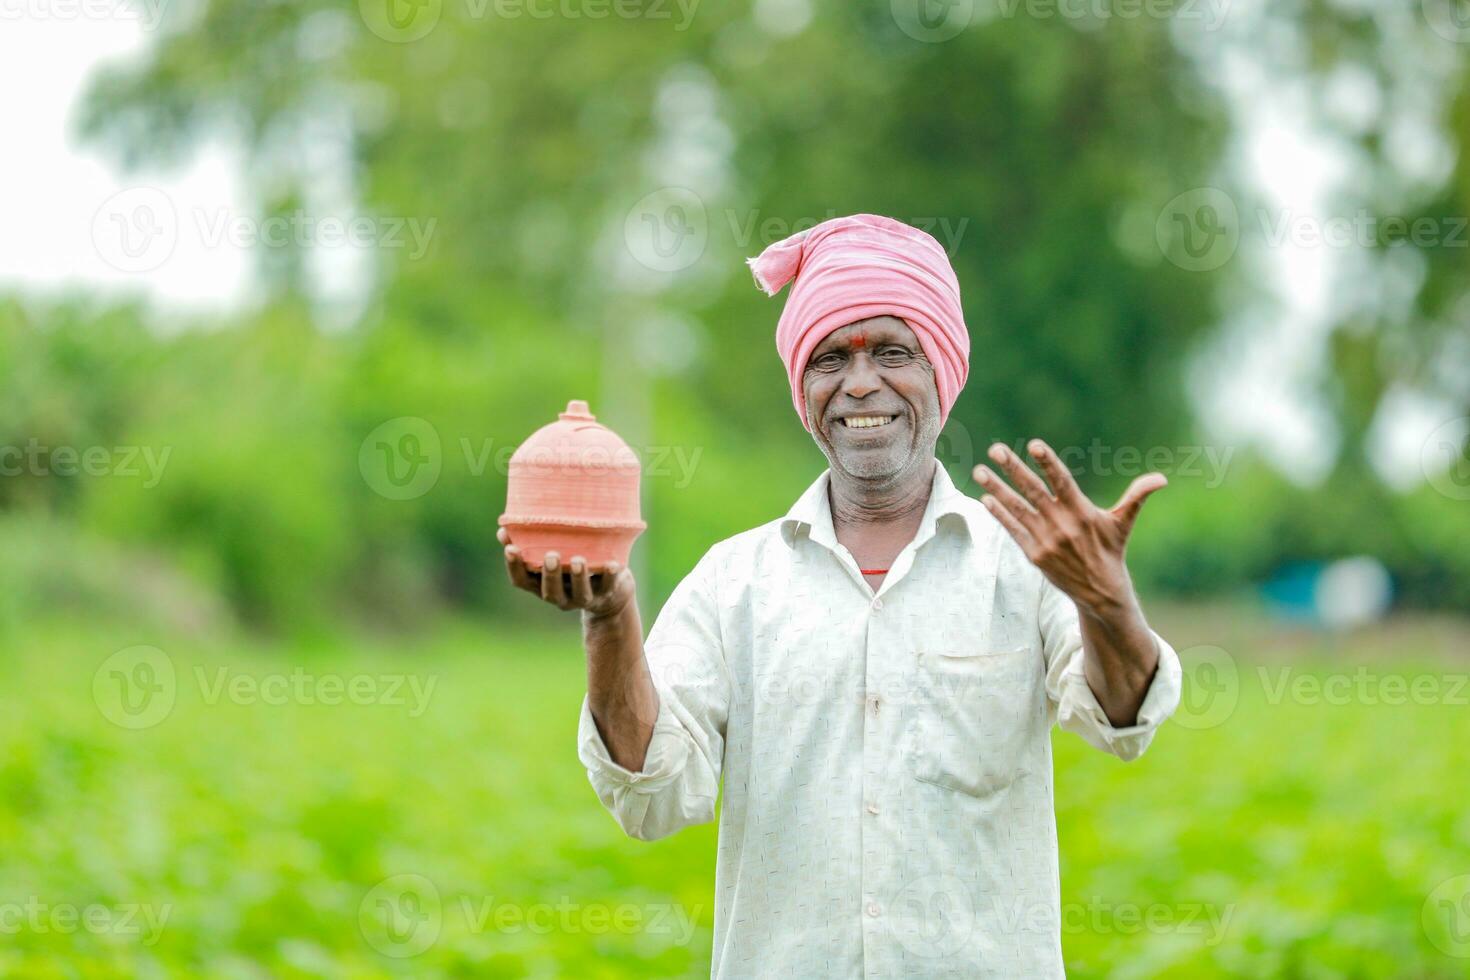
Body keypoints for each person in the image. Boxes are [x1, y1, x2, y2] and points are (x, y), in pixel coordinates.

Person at [499, 213, 1183, 978]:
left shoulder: (1022, 567)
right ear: (803, 385)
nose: (860, 382)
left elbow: (1123, 722)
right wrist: (609, 616)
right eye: (830, 358)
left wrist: (1106, 600)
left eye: (893, 351)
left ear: (942, 373)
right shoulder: (735, 583)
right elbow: (653, 792)